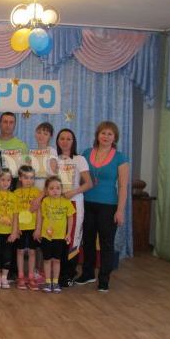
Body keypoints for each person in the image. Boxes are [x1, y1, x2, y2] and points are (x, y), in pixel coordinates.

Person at [76, 121, 129, 292]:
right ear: (97, 135)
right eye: (103, 133)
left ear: (115, 138)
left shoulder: (120, 157)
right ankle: (88, 273)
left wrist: (120, 210)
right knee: (88, 240)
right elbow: (79, 178)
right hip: (87, 203)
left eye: (110, 134)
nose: (106, 137)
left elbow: (123, 186)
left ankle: (104, 278)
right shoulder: (86, 153)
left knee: (106, 243)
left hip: (109, 206)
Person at [55, 129, 92, 287]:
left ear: (73, 141)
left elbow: (88, 183)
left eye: (68, 138)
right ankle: (57, 273)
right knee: (58, 237)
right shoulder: (54, 159)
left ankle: (69, 273)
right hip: (57, 204)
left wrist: (73, 192)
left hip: (74, 202)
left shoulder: (79, 159)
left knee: (72, 237)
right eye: (62, 138)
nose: (65, 141)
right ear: (57, 141)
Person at [35, 176, 76, 294]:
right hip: (46, 236)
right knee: (47, 260)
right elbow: (41, 217)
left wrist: (68, 233)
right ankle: (48, 282)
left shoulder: (66, 202)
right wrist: (38, 230)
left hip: (60, 237)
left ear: (61, 189)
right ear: (47, 190)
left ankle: (56, 282)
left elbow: (70, 217)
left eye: (58, 188)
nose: (55, 191)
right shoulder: (45, 201)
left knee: (57, 260)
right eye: (51, 188)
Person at [14, 165, 41, 291]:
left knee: (32, 252)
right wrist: (16, 227)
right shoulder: (16, 193)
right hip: (20, 228)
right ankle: (20, 276)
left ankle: (31, 277)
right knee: (20, 251)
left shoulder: (37, 193)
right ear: (20, 178)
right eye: (26, 178)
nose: (29, 180)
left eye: (31, 178)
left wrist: (38, 228)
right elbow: (14, 213)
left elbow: (40, 212)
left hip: (32, 228)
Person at [0, 112, 28, 182]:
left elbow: (25, 171)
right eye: (5, 122)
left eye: (11, 122)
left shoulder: (22, 146)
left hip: (16, 184)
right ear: (0, 124)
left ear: (15, 125)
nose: (8, 125)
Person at [29, 122, 58, 191]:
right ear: (35, 134)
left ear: (50, 137)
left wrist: (44, 193)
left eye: (45, 134)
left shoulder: (52, 151)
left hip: (47, 190)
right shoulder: (31, 153)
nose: (41, 136)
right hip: (33, 190)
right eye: (39, 132)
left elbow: (53, 175)